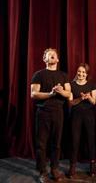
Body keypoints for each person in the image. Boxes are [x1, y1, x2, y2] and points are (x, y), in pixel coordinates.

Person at [30, 48, 71, 183]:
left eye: (54, 55)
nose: (52, 56)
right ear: (45, 59)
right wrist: (51, 94)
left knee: (56, 143)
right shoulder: (38, 74)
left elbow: (69, 94)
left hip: (58, 113)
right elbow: (34, 94)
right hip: (43, 113)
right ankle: (42, 171)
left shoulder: (63, 75)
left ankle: (54, 168)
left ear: (58, 59)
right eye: (49, 55)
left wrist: (60, 91)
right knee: (41, 144)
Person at [67, 63, 96, 178]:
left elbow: (94, 102)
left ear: (87, 74)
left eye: (84, 72)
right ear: (77, 72)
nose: (81, 74)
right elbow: (70, 103)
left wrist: (88, 97)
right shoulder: (71, 85)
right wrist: (81, 98)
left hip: (89, 115)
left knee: (90, 140)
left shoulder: (92, 85)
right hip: (75, 116)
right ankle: (72, 166)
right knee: (75, 141)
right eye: (79, 71)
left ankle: (92, 165)